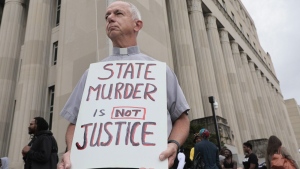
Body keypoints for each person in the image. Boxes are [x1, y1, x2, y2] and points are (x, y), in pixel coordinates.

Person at [58, 1, 190, 169]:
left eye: (118, 13)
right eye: (107, 16)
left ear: (137, 25)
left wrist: (173, 144)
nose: (110, 19)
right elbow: (74, 122)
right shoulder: (93, 73)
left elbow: (181, 118)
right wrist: (71, 152)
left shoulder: (160, 71)